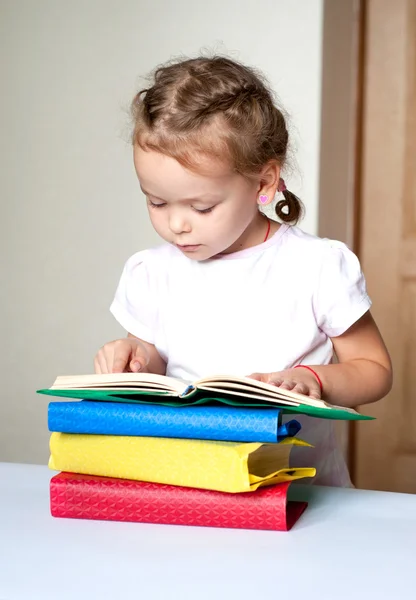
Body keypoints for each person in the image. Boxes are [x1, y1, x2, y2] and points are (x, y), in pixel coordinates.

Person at [94, 56, 392, 486]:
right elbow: (156, 360)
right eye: (156, 202)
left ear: (264, 183)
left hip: (301, 494)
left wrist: (313, 380)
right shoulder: (150, 272)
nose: (176, 224)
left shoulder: (315, 267)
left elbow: (374, 368)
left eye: (202, 206)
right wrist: (134, 358)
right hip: (189, 485)